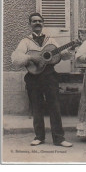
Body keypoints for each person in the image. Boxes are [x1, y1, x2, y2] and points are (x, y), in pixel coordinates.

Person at [11, 13, 73, 147]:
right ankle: (39, 136)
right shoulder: (25, 41)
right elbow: (16, 58)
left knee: (55, 106)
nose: (37, 23)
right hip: (33, 78)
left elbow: (61, 54)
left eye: (39, 21)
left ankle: (59, 138)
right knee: (36, 107)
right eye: (34, 21)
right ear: (30, 24)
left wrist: (68, 50)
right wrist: (31, 58)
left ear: (43, 23)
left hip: (50, 76)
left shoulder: (51, 40)